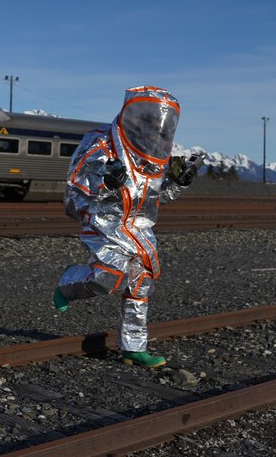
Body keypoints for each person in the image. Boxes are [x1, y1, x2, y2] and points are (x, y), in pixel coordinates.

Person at [53, 86, 203, 368]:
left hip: (138, 230)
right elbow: (75, 191)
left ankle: (134, 348)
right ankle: (67, 283)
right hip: (104, 223)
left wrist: (180, 183)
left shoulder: (155, 159)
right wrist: (106, 183)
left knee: (141, 284)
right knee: (106, 278)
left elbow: (157, 198)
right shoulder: (99, 145)